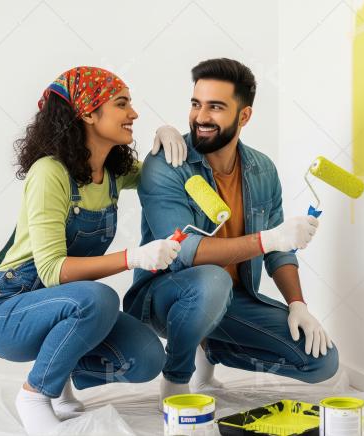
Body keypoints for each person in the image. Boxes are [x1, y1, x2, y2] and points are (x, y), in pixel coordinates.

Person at [0, 66, 186, 434]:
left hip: (63, 307)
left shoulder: (114, 172)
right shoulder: (49, 173)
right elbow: (53, 273)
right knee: (98, 299)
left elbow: (161, 174)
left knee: (147, 357)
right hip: (8, 312)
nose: (133, 114)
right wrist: (133, 258)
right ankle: (35, 394)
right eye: (122, 104)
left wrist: (167, 134)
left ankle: (58, 380)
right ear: (87, 112)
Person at [124, 58, 339, 402]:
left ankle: (211, 348)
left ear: (244, 116)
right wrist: (268, 238)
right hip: (164, 297)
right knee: (212, 279)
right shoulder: (167, 163)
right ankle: (177, 379)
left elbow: (279, 249)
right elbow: (185, 251)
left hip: (232, 299)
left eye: (216, 107)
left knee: (321, 363)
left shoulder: (261, 169)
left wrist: (298, 304)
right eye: (196, 104)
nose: (201, 116)